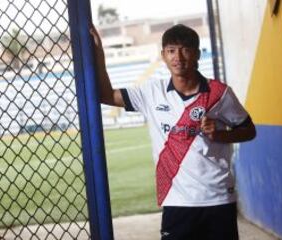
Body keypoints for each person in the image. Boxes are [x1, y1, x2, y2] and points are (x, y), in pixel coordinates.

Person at [90, 24, 256, 240]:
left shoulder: (220, 93)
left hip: (217, 198)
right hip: (177, 201)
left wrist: (221, 135)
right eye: (171, 50)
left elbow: (249, 130)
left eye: (185, 49)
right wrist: (99, 53)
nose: (178, 56)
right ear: (163, 55)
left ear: (196, 53)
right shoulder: (151, 92)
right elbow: (106, 95)